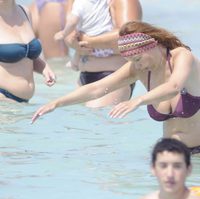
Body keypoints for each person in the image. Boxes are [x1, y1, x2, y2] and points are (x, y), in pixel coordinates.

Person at [32, 20, 200, 153]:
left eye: (138, 59)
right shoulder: (140, 69)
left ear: (152, 45)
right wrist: (57, 103)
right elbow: (97, 88)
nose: (138, 66)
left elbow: (174, 86)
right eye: (132, 62)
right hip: (172, 158)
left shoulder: (182, 56)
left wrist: (137, 100)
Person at [64, 0, 142, 107]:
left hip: (113, 76)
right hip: (83, 75)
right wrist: (72, 40)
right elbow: (68, 33)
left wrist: (85, 39)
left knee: (95, 119)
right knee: (79, 120)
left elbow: (129, 38)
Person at [0, 0, 56, 103]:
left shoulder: (25, 11)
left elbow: (25, 55)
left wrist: (44, 68)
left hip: (24, 102)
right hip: (3, 99)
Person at [54, 0, 115, 71]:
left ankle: (74, 64)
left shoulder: (79, 3)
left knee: (79, 42)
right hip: (109, 47)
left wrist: (63, 33)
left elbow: (72, 22)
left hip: (91, 49)